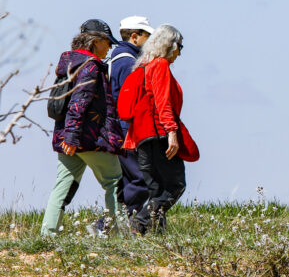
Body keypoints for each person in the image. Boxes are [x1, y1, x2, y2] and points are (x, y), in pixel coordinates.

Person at [39, 29, 124, 236]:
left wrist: (69, 136)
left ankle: (48, 235)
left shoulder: (69, 64)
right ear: (95, 41)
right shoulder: (90, 65)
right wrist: (73, 136)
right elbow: (80, 101)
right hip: (90, 137)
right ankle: (118, 234)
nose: (110, 47)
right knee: (115, 182)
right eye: (107, 42)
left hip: (68, 136)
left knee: (64, 185)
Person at [118, 24, 197, 235]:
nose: (180, 52)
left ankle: (156, 237)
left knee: (156, 190)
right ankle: (139, 223)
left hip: (140, 137)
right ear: (168, 45)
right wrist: (172, 133)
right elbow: (163, 103)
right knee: (175, 185)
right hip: (158, 135)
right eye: (179, 46)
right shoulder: (160, 65)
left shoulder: (142, 67)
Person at [104, 15, 153, 231]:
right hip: (127, 130)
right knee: (141, 178)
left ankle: (111, 226)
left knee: (128, 181)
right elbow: (129, 100)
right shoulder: (127, 62)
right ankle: (115, 225)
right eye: (147, 36)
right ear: (135, 36)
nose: (151, 41)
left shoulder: (117, 58)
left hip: (120, 128)